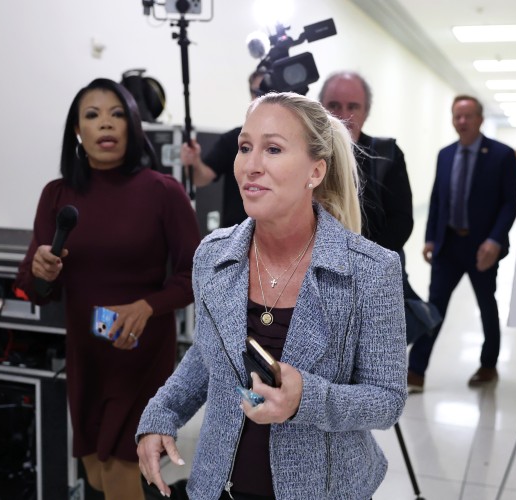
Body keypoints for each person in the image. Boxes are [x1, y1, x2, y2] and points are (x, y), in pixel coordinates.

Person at [137, 92, 407, 499]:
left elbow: (387, 400)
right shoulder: (213, 255)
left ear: (315, 171)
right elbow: (208, 355)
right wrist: (162, 413)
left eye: (273, 149)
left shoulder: (370, 270)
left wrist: (307, 399)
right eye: (245, 147)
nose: (251, 165)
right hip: (219, 486)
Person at [15, 78, 200, 500]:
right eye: (93, 115)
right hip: (86, 354)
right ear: (77, 131)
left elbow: (195, 274)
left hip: (140, 352)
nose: (106, 123)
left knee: (119, 472)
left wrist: (147, 306)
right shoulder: (56, 195)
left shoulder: (163, 192)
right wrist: (42, 271)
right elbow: (36, 287)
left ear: (133, 126)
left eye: (117, 114)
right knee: (98, 474)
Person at [407, 95, 516, 392]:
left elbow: (510, 202)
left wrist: (495, 240)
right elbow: (437, 199)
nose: (462, 121)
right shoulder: (446, 154)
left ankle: (488, 365)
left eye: (468, 116)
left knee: (486, 306)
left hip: (483, 248)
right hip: (448, 246)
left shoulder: (501, 155)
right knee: (434, 307)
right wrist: (430, 237)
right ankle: (416, 370)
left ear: (480, 119)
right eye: (457, 116)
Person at [318, 71, 413, 254]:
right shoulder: (307, 155)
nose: (343, 116)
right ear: (320, 108)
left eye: (353, 107)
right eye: (334, 105)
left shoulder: (387, 154)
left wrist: (364, 260)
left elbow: (401, 221)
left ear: (366, 112)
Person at [180, 69, 266, 227]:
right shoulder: (233, 139)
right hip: (238, 230)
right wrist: (193, 163)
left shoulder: (296, 141)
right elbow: (201, 177)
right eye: (257, 92)